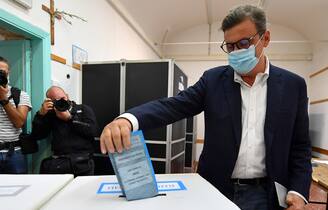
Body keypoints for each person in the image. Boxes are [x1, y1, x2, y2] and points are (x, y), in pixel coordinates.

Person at [100, 5, 311, 210]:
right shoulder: (213, 80)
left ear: (265, 38)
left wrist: (299, 191)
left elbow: (300, 146)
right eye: (230, 46)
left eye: (244, 43)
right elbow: (174, 106)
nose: (236, 52)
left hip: (266, 195)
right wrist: (128, 120)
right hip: (216, 189)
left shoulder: (294, 86)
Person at [31, 86, 98, 176]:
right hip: (59, 162)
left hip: (83, 161)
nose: (61, 102)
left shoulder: (83, 109)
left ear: (67, 96)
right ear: (51, 102)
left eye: (63, 98)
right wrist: (40, 115)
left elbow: (93, 131)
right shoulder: (51, 114)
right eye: (56, 100)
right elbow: (38, 135)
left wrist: (70, 118)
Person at [0, 56, 32, 174]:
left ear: (8, 73)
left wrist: (4, 99)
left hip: (14, 153)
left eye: (2, 72)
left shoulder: (20, 94)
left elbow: (19, 122)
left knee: (20, 189)